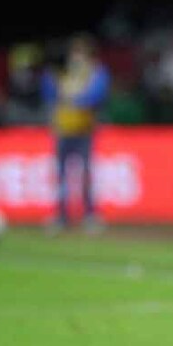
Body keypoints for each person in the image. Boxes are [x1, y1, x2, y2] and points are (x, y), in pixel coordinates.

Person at [41, 34, 110, 234]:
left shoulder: (95, 73)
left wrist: (72, 99)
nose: (77, 57)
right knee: (61, 174)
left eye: (81, 53)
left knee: (86, 173)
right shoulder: (61, 73)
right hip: (63, 129)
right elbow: (49, 94)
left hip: (85, 130)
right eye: (75, 52)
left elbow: (96, 96)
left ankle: (90, 215)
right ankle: (61, 216)